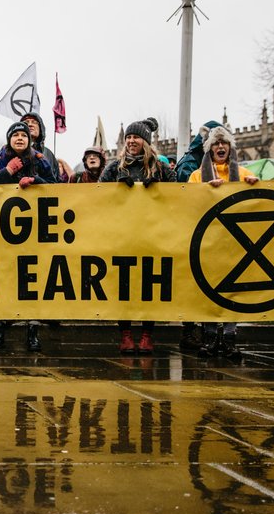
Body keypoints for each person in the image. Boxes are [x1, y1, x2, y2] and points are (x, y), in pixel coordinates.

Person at [100, 117, 174, 354]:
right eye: (129, 137)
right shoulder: (114, 168)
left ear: (146, 141)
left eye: (136, 137)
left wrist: (160, 190)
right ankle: (125, 334)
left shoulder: (160, 169)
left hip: (152, 237)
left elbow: (180, 195)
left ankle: (146, 335)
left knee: (148, 288)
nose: (131, 141)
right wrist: (115, 191)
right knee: (123, 287)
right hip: (121, 238)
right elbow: (96, 197)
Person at [186, 122, 258, 359]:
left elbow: (257, 203)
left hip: (236, 243)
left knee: (233, 290)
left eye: (223, 142)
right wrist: (205, 191)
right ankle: (208, 337)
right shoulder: (198, 176)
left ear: (230, 147)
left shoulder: (245, 174)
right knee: (208, 288)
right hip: (208, 243)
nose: (220, 146)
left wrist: (254, 186)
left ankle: (229, 338)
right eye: (216, 143)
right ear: (209, 148)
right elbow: (188, 206)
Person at [0, 122, 55, 352]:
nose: (20, 138)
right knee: (3, 280)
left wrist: (36, 182)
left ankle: (32, 332)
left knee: (32, 282)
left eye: (24, 135)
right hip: (3, 232)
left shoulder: (41, 161)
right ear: (9, 139)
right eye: (16, 135)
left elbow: (56, 186)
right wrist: (8, 172)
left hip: (34, 230)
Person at [19, 112, 61, 182]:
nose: (30, 124)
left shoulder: (49, 154)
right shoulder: (11, 151)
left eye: (34, 122)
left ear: (41, 128)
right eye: (26, 122)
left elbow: (55, 181)